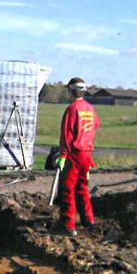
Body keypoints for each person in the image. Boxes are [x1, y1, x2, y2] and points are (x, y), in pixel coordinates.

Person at [56, 77, 100, 237]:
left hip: (75, 154)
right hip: (87, 154)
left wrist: (62, 155)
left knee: (68, 188)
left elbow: (67, 135)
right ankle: (88, 220)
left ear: (71, 91)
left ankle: (68, 225)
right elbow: (95, 125)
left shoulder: (72, 109)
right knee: (82, 187)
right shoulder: (89, 108)